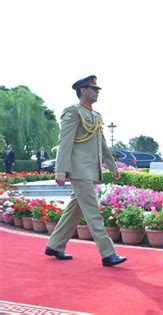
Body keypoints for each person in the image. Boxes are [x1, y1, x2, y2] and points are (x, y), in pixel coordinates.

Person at [45, 75, 127, 267]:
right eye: (93, 88)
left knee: (76, 209)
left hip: (90, 170)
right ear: (82, 90)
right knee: (92, 212)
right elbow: (64, 142)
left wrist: (112, 166)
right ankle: (108, 253)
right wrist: (60, 170)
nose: (97, 92)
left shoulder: (95, 115)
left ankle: (55, 245)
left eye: (97, 89)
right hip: (78, 169)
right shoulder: (73, 112)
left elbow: (102, 144)